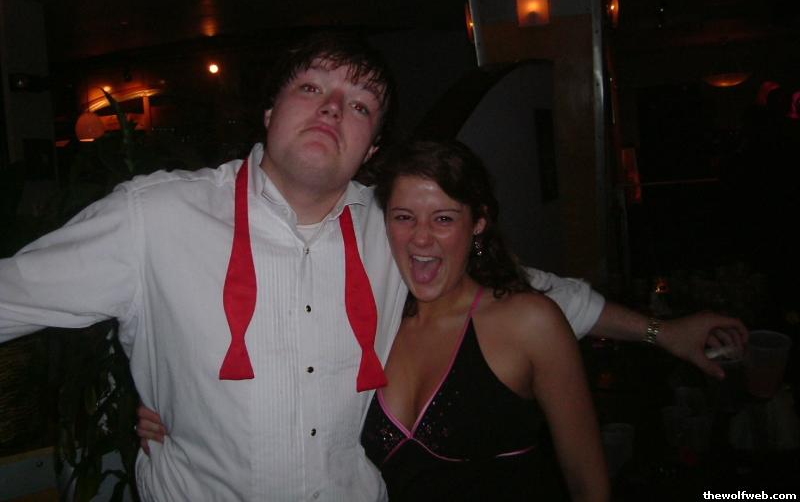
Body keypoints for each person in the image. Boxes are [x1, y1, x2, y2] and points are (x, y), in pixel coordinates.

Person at [3, 30, 745, 500]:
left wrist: (662, 332)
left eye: (359, 105)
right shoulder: (155, 218)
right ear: (270, 113)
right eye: (312, 88)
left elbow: (534, 293)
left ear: (372, 148)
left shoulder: (390, 226)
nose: (333, 110)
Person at [360, 139, 608, 500]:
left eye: (443, 218)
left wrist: (657, 331)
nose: (421, 238)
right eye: (404, 217)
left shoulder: (529, 323)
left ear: (478, 222)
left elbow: (589, 483)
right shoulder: (377, 325)